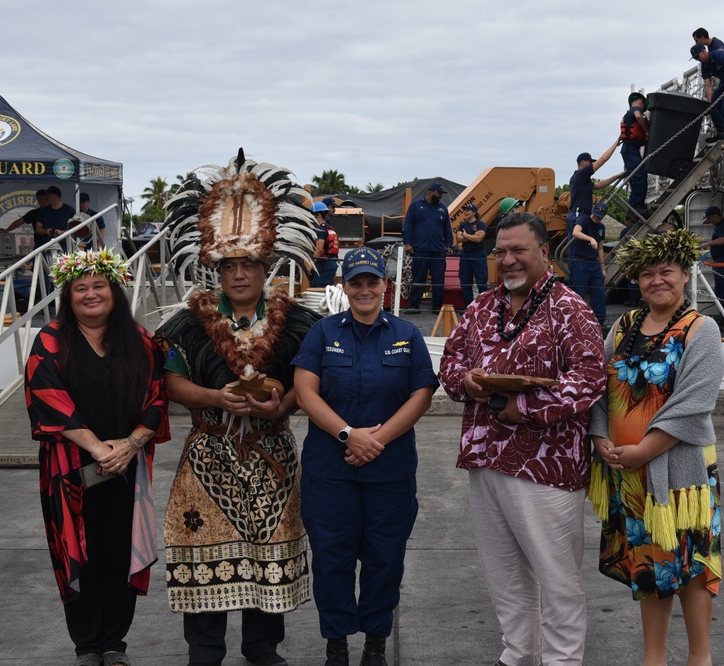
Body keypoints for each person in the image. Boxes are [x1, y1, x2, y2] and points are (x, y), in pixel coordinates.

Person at [153, 153, 321, 666]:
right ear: (217, 269)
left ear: (266, 269)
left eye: (249, 265)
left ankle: (262, 647)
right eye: (230, 266)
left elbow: (308, 380)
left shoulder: (298, 323)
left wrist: (282, 406)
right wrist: (214, 398)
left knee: (269, 548)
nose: (240, 274)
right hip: (209, 452)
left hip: (272, 450)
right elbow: (172, 380)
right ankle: (204, 650)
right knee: (204, 546)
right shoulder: (186, 324)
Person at [438, 212, 606, 666]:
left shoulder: (570, 308)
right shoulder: (481, 306)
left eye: (518, 250)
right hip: (486, 458)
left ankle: (561, 661)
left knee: (557, 577)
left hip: (545, 465)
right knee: (504, 574)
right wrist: (468, 384)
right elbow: (450, 362)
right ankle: (518, 655)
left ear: (544, 253)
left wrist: (526, 408)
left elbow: (591, 378)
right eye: (501, 252)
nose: (508, 260)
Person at [24, 249, 171, 666]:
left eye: (99, 286)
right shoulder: (51, 339)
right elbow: (47, 396)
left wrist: (129, 445)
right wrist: (97, 448)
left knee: (119, 552)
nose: (91, 294)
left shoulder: (141, 342)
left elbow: (158, 398)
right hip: (69, 468)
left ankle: (114, 644)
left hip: (126, 465)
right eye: (80, 288)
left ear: (115, 291)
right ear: (68, 297)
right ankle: (87, 645)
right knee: (78, 551)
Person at [292, 248, 438, 666]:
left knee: (384, 558)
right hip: (331, 470)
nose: (364, 290)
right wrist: (347, 435)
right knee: (332, 558)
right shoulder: (322, 332)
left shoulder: (407, 334)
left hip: (388, 470)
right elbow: (305, 392)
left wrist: (375, 441)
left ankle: (375, 642)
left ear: (384, 284)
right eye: (355, 282)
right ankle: (336, 644)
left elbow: (422, 394)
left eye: (372, 281)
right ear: (343, 286)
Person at [588, 229, 724, 666]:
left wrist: (645, 450)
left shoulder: (701, 330)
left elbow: (694, 403)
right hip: (628, 474)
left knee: (691, 568)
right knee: (649, 565)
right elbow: (598, 389)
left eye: (666, 271)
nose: (656, 281)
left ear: (685, 274)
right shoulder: (624, 326)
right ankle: (654, 659)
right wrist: (599, 436)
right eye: (647, 274)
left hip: (681, 474)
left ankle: (699, 658)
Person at [401, 182, 454, 314]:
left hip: (438, 249)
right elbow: (408, 225)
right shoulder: (415, 206)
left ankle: (437, 305)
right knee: (419, 277)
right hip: (420, 248)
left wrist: (449, 244)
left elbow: (447, 228)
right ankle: (414, 304)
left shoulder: (443, 209)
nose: (441, 196)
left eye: (442, 194)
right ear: (431, 191)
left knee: (438, 278)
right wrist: (408, 243)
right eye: (439, 193)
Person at [568, 201, 610, 329]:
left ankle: (599, 324)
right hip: (580, 261)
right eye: (596, 215)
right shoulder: (584, 219)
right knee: (579, 293)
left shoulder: (601, 227)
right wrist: (590, 239)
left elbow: (601, 248)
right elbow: (576, 232)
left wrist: (603, 268)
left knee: (599, 293)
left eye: (599, 216)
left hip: (594, 263)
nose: (597, 218)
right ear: (592, 210)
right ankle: (576, 323)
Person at [691, 44, 724, 141]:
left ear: (704, 51)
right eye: (695, 58)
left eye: (697, 56)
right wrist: (709, 104)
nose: (697, 59)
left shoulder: (719, 54)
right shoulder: (704, 67)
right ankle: (720, 130)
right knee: (714, 104)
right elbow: (708, 86)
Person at [568, 142, 623, 219]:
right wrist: (616, 144)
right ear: (582, 162)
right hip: (579, 214)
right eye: (589, 162)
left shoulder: (580, 178)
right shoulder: (581, 174)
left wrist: (617, 176)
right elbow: (604, 159)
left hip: (579, 214)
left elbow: (599, 185)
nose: (591, 164)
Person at [699, 205, 724, 321]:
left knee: (723, 289)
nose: (708, 221)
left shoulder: (723, 225)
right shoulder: (719, 225)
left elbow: (723, 239)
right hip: (719, 260)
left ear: (715, 216)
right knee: (720, 290)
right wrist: (707, 221)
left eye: (709, 218)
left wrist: (707, 244)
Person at [455, 203, 489, 308]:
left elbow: (479, 239)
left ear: (474, 212)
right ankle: (468, 306)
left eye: (468, 210)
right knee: (465, 281)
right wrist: (472, 236)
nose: (465, 212)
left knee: (481, 280)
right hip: (465, 254)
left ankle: (484, 306)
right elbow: (458, 238)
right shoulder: (462, 225)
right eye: (465, 210)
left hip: (478, 253)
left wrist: (465, 235)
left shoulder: (480, 224)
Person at [620, 92, 650, 212]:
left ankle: (639, 205)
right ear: (640, 102)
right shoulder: (635, 110)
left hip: (631, 149)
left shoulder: (627, 115)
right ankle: (634, 207)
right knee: (639, 176)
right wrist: (646, 131)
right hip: (630, 148)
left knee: (638, 176)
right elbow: (638, 116)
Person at [310, 201, 340, 288]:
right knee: (318, 287)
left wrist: (309, 267)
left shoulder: (320, 230)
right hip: (331, 264)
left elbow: (318, 250)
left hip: (324, 265)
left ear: (318, 215)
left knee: (319, 291)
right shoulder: (329, 228)